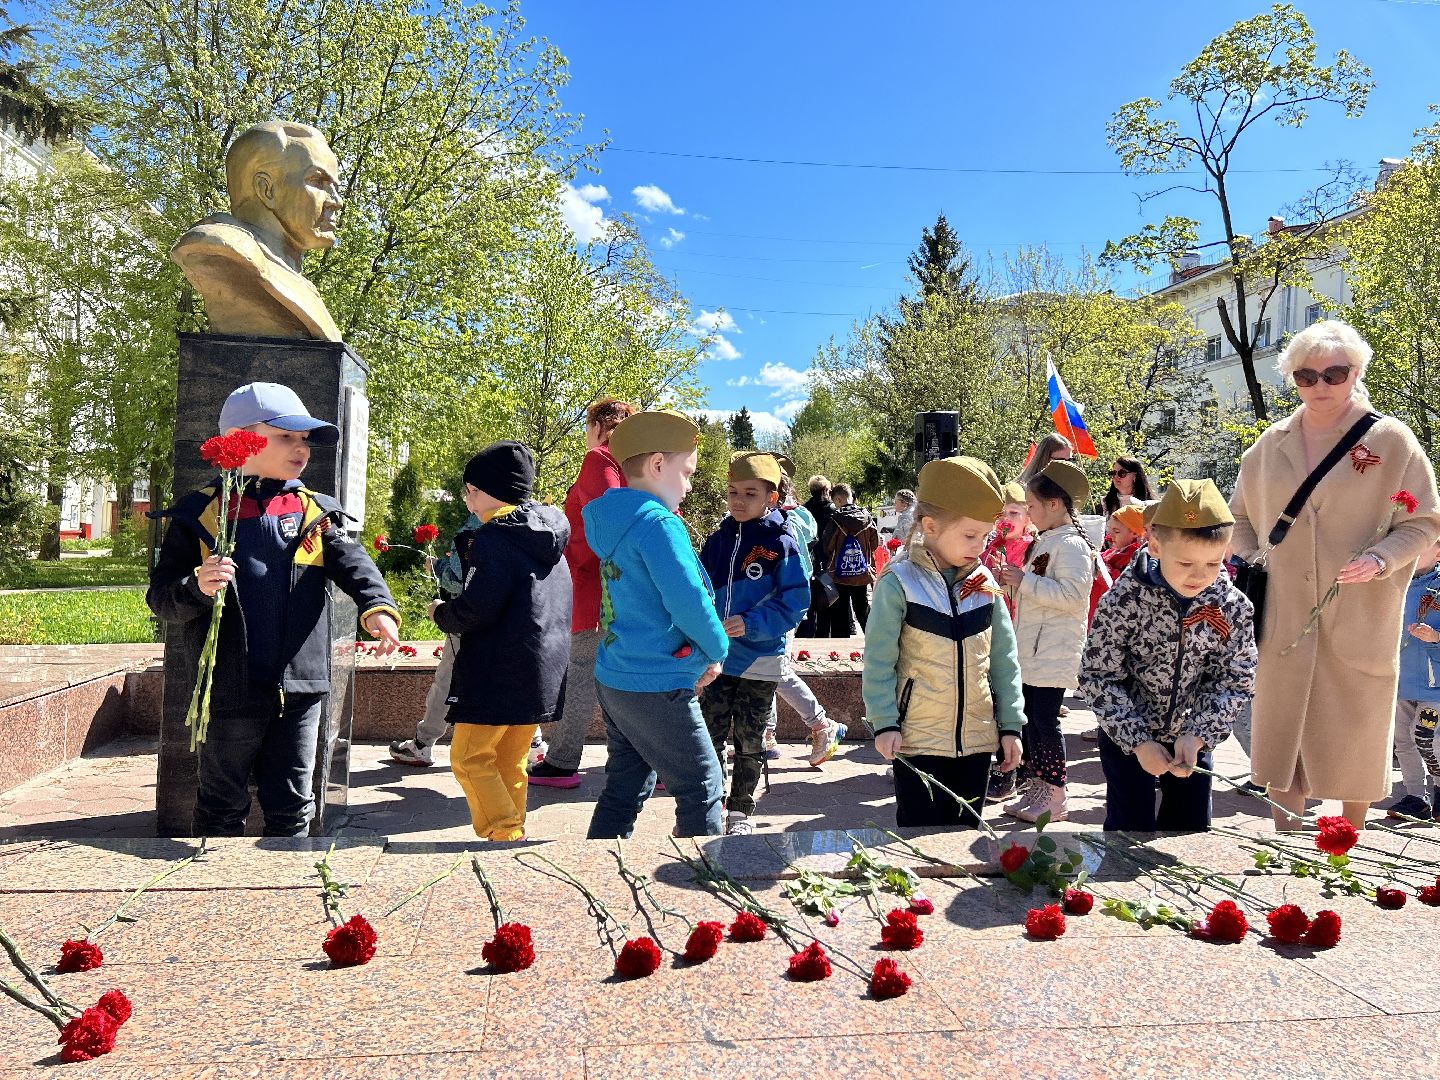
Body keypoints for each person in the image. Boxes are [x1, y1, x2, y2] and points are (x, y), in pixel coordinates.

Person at [148, 382, 401, 836]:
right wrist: (195, 586)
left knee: (292, 804)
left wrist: (377, 607)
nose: (301, 448)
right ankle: (213, 893)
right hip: (229, 687)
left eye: (305, 440)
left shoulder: (314, 512)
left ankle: (291, 889)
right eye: (286, 436)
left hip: (300, 688)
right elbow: (162, 598)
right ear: (239, 438)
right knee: (221, 804)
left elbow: (356, 566)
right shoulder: (200, 514)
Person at [1231, 320, 1440, 830]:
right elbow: (1237, 516)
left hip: (1363, 609)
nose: (1320, 385)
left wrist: (1383, 559)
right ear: (1293, 379)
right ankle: (1283, 835)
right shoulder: (1268, 444)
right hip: (1284, 612)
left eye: (1334, 373)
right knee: (1284, 725)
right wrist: (1257, 558)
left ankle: (1348, 839)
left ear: (1356, 373)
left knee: (1356, 721)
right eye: (1306, 376)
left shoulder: (1392, 440)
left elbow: (1424, 521)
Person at [582, 410, 729, 839]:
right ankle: (703, 876)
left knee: (626, 786)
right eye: (685, 473)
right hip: (657, 680)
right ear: (658, 465)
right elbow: (687, 600)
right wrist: (717, 648)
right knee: (702, 784)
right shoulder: (658, 523)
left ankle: (600, 869)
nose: (686, 486)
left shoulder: (609, 518)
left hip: (616, 675)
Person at [1081, 480, 1258, 831]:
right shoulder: (1123, 601)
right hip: (1127, 736)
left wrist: (1198, 734)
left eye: (1212, 563)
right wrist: (1138, 741)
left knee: (1187, 832)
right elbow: (1098, 676)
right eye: (1186, 562)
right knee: (1128, 829)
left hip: (1193, 738)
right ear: (1156, 545)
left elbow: (1234, 680)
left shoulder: (1232, 606)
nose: (1199, 575)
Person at [864, 456, 1025, 827]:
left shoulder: (985, 583)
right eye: (970, 535)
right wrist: (885, 721)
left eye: (985, 536)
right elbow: (879, 660)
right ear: (931, 526)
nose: (980, 546)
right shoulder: (899, 582)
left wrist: (1011, 725)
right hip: (917, 740)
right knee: (921, 835)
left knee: (966, 836)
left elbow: (1004, 660)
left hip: (977, 739)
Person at [428, 442, 571, 841]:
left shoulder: (494, 538)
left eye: (471, 490)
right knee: (511, 759)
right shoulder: (548, 538)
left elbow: (478, 608)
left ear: (491, 492)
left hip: (498, 667)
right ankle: (512, 833)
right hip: (541, 667)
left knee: (469, 757)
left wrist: (441, 612)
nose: (468, 499)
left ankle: (504, 832)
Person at [699, 452, 812, 835]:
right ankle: (711, 805)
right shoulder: (717, 540)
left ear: (772, 497)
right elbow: (697, 590)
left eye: (749, 493)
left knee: (750, 739)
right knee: (710, 735)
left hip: (760, 660)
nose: (737, 500)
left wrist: (751, 623)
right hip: (717, 659)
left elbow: (796, 600)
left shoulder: (781, 542)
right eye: (732, 491)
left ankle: (741, 812)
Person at [529, 396, 637, 789]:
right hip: (623, 590)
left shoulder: (600, 460)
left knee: (577, 678)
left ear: (597, 426)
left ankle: (561, 762)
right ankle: (652, 763)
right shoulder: (638, 465)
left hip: (592, 588)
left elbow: (610, 514)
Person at [170, 122, 344, 341]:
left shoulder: (297, 281)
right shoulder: (221, 250)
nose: (336, 202)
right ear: (266, 189)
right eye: (318, 181)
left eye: (336, 188)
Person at [996, 460, 1095, 824]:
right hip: (1036, 648)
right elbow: (1036, 593)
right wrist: (1009, 580)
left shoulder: (1071, 546)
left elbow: (1072, 595)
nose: (1030, 513)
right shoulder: (1049, 541)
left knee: (1045, 720)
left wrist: (1024, 582)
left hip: (1054, 651)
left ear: (1055, 504)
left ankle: (1055, 793)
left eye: (1033, 506)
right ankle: (1037, 788)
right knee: (1032, 722)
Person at [761, 470, 847, 766]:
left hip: (781, 606)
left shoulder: (790, 521)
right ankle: (766, 735)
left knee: (776, 668)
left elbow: (790, 567)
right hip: (765, 607)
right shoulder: (786, 518)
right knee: (765, 669)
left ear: (773, 493)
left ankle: (823, 725)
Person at [387, 508, 482, 767]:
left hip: (467, 620)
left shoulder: (472, 530)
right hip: (509, 623)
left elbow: (457, 580)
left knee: (447, 679)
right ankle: (534, 747)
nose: (466, 498)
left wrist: (438, 566)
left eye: (470, 491)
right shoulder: (521, 524)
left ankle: (423, 744)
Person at [1388, 539, 1440, 821]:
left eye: (1421, 545)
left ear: (1438, 551)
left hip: (1434, 683)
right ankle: (1415, 798)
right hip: (1401, 678)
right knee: (1403, 740)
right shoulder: (1396, 583)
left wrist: (1436, 637)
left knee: (1427, 738)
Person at [821, 483, 880, 636]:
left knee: (840, 611)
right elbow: (875, 543)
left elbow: (827, 545)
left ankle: (840, 652)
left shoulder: (835, 519)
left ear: (839, 499)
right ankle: (874, 642)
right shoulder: (867, 518)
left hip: (839, 572)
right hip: (862, 571)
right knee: (862, 607)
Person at [1088, 503, 1147, 623]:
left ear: (1135, 533)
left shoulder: (1135, 558)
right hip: (1096, 611)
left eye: (1117, 531)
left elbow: (1120, 582)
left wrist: (1102, 568)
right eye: (1110, 531)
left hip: (1113, 617)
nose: (1111, 536)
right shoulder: (1111, 552)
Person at [798, 475, 836, 637]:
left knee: (812, 598)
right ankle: (823, 634)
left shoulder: (804, 510)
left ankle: (808, 634)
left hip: (810, 557)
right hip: (828, 559)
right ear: (825, 490)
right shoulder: (832, 509)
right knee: (828, 596)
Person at [1098, 455, 1155, 519]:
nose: (1116, 477)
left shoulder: (1150, 506)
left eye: (1122, 473)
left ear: (1135, 476)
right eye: (1113, 473)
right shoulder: (1104, 505)